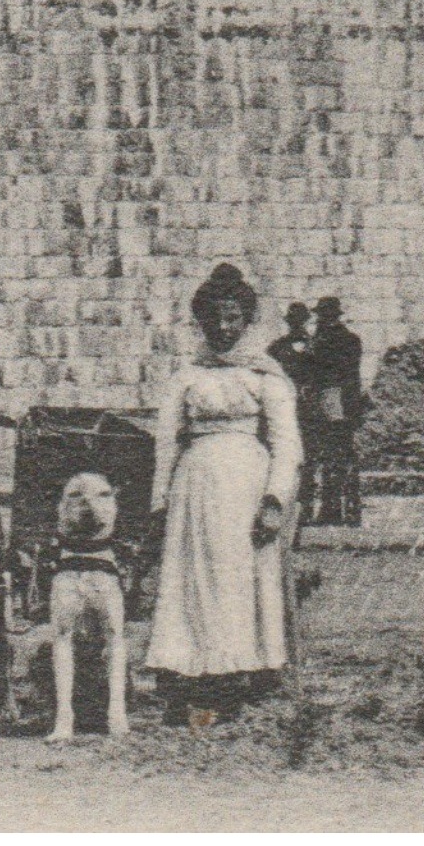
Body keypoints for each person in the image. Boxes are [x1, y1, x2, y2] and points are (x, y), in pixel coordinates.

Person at [147, 264, 303, 726]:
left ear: (247, 320)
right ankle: (188, 679)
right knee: (193, 581)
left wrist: (275, 501)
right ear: (202, 321)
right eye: (215, 318)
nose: (224, 327)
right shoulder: (186, 377)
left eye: (233, 318)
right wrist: (160, 502)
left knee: (236, 581)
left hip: (246, 490)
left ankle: (233, 680)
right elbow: (166, 443)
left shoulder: (265, 376)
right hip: (194, 489)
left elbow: (287, 444)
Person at [309, 297, 363, 526]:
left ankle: (332, 510)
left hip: (332, 401)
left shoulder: (325, 340)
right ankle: (350, 510)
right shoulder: (351, 339)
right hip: (346, 403)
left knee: (332, 457)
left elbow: (322, 372)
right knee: (344, 457)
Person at [267, 302, 321, 514]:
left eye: (300, 320)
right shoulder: (276, 348)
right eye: (293, 321)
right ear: (289, 323)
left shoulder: (318, 347)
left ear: (306, 321)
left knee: (309, 457)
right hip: (284, 409)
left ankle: (305, 507)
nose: (296, 324)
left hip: (310, 411)